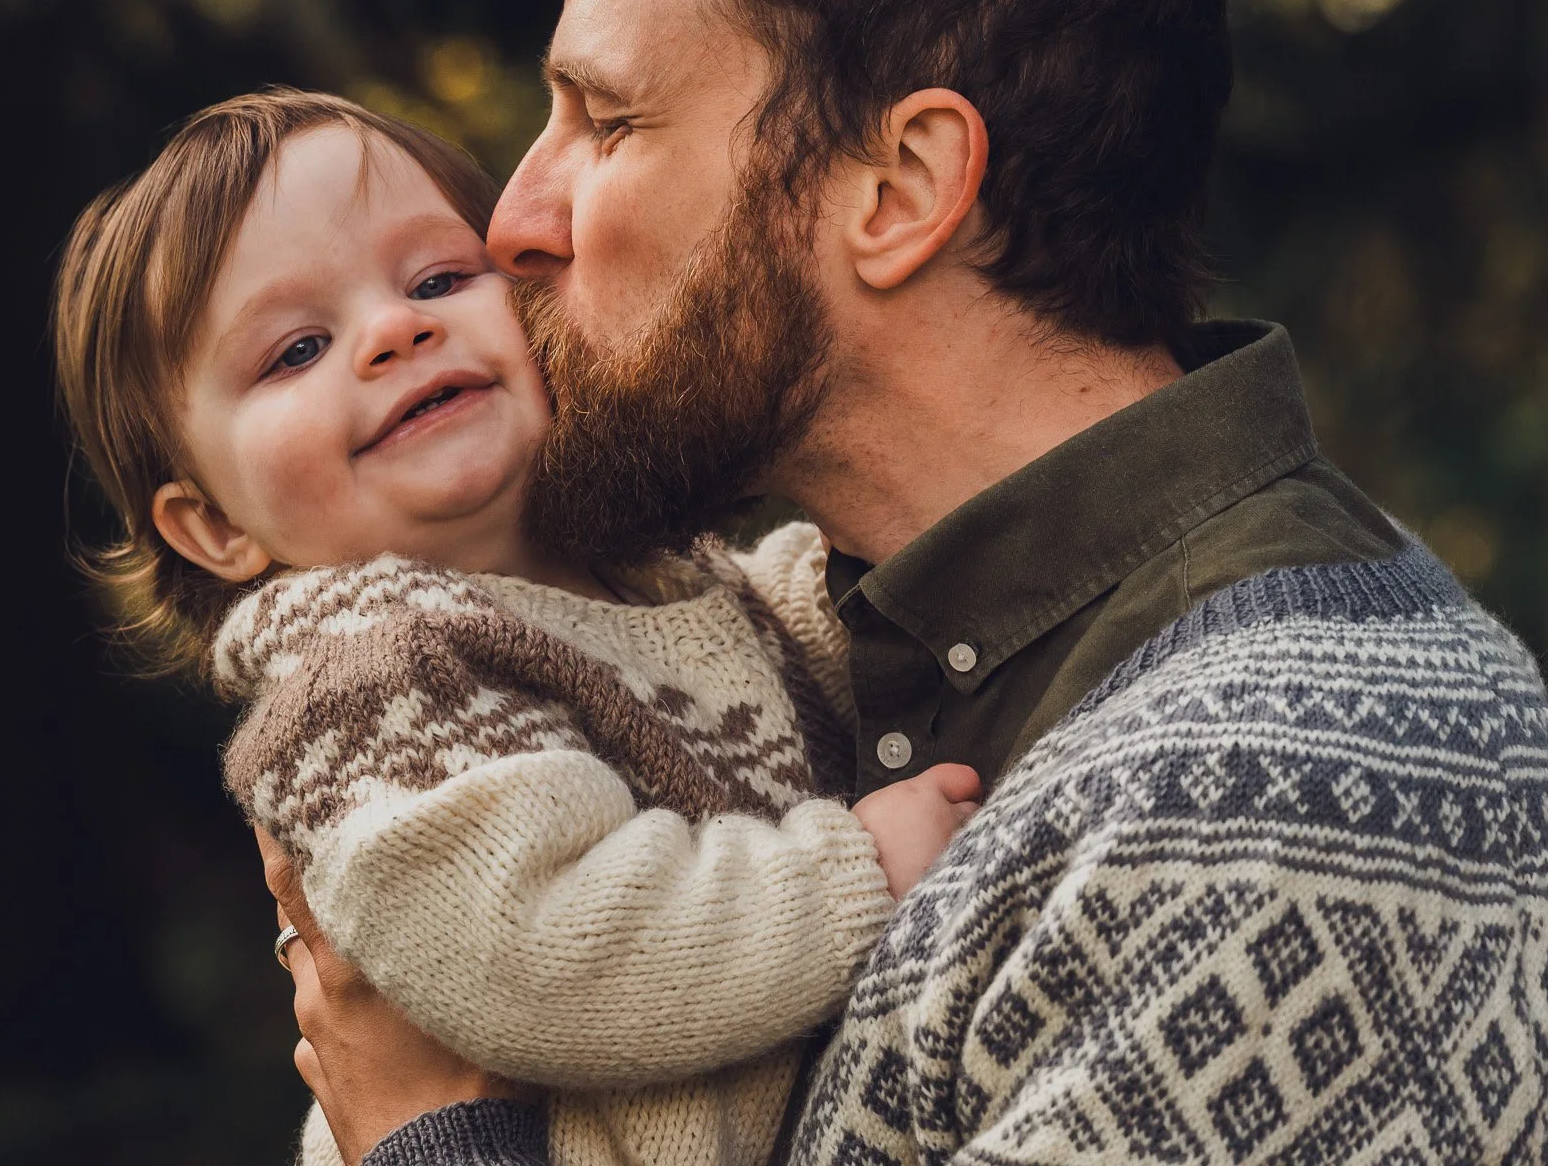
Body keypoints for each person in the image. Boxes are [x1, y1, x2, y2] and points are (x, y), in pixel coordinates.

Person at [296, 0, 1548, 1165]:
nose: (511, 224)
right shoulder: (828, 660)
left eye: (608, 120)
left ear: (900, 191)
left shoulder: (1281, 804)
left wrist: (427, 1139)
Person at [50, 88, 985, 1166]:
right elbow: (545, 947)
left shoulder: (655, 580)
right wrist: (855, 870)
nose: (396, 329)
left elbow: (830, 628)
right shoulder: (373, 678)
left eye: (439, 279)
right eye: (296, 348)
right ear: (210, 524)